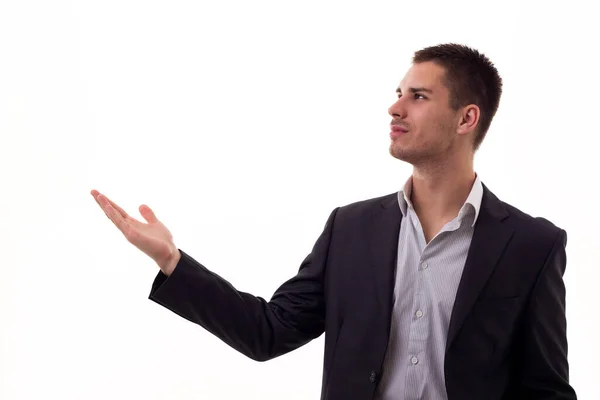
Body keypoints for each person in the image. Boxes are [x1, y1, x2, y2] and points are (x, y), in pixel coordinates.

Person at [91, 43, 577, 400]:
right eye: (399, 92)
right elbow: (268, 331)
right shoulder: (352, 229)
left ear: (466, 118)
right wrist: (171, 259)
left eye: (419, 96)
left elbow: (545, 390)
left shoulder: (531, 245)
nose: (396, 107)